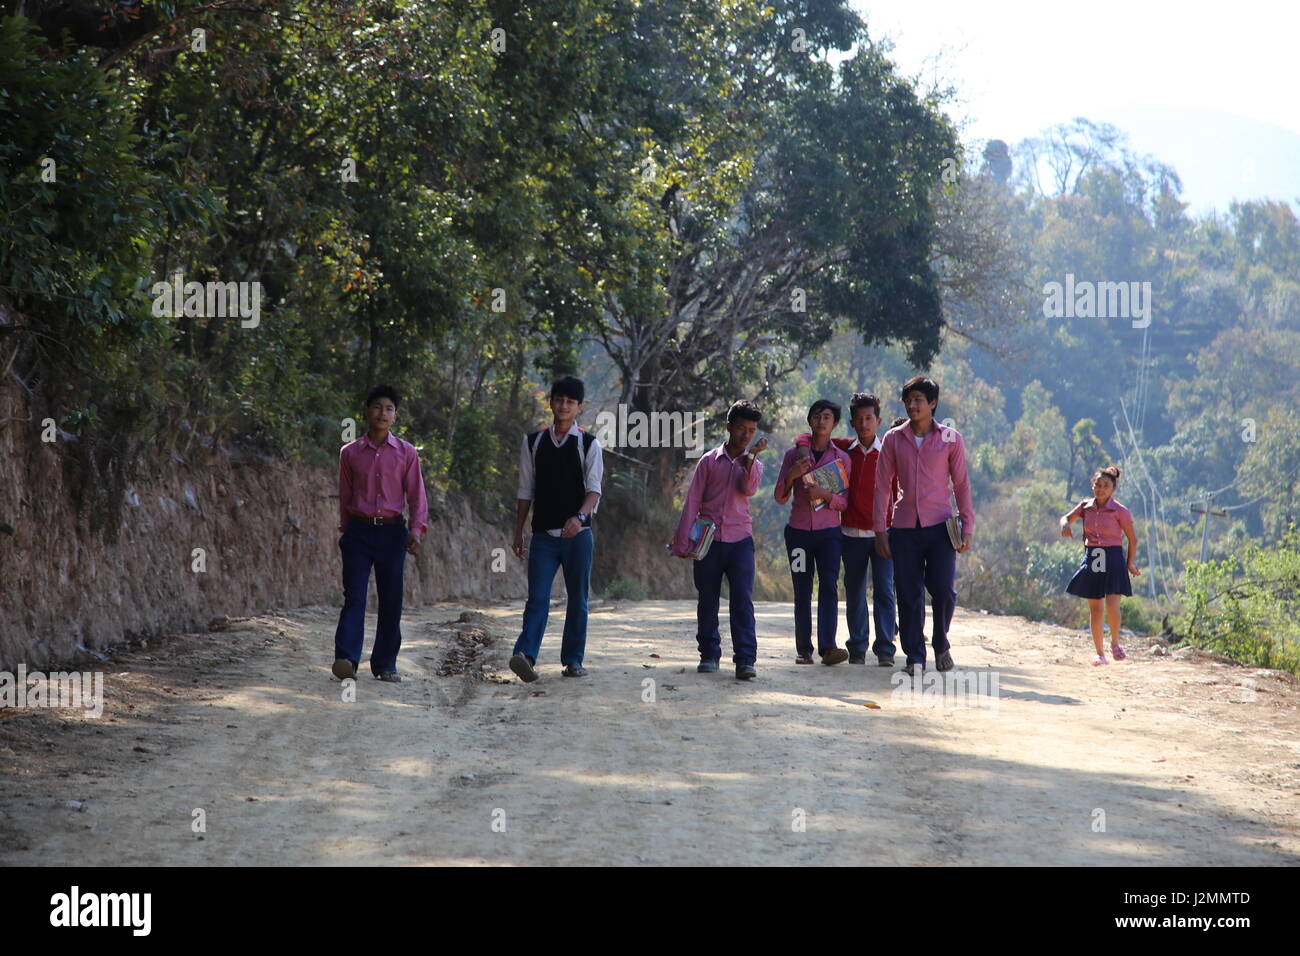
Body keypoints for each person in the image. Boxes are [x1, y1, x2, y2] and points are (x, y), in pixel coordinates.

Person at [873, 376, 973, 676]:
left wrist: (967, 525)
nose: (912, 404)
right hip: (903, 527)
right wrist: (880, 529)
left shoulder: (950, 439)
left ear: (933, 404)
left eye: (919, 399)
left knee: (943, 590)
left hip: (941, 527)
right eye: (909, 399)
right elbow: (882, 487)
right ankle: (914, 656)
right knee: (908, 592)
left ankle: (940, 641)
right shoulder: (893, 438)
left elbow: (961, 484)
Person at [509, 376, 604, 682]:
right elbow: (525, 491)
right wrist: (518, 531)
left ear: (579, 407)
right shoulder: (533, 442)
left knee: (578, 598)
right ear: (550, 402)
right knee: (537, 597)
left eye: (570, 402)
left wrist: (579, 517)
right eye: (559, 399)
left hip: (579, 537)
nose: (563, 406)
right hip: (543, 538)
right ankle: (525, 655)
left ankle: (573, 660)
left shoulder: (589, 444)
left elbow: (594, 492)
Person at [332, 385, 429, 683]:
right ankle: (346, 658)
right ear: (367, 411)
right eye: (377, 407)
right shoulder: (350, 453)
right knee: (355, 598)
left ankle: (385, 664)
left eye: (388, 409)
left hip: (391, 534)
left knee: (391, 599)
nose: (382, 413)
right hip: (358, 533)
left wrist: (415, 531)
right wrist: (347, 532)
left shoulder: (406, 453)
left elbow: (417, 496)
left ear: (395, 416)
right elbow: (345, 496)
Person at [794, 392, 898, 665]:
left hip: (883, 534)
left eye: (869, 419)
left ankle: (885, 648)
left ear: (879, 421)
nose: (864, 424)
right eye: (859, 419)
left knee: (885, 591)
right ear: (852, 423)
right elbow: (807, 437)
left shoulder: (889, 452)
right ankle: (858, 647)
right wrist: (804, 447)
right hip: (850, 533)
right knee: (854, 591)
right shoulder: (843, 450)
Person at [670, 400, 767, 680]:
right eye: (741, 428)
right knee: (708, 599)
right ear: (728, 427)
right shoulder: (709, 461)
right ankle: (709, 654)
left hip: (740, 542)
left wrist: (749, 459)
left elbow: (747, 488)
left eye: (751, 430)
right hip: (708, 542)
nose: (746, 435)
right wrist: (683, 542)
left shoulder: (754, 465)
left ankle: (746, 659)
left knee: (742, 601)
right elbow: (693, 502)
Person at [775, 400, 854, 665]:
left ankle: (828, 648)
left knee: (829, 588)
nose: (822, 421)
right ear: (809, 420)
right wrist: (791, 475)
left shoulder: (841, 459)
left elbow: (844, 503)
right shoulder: (793, 456)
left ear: (834, 424)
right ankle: (803, 650)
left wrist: (824, 495)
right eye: (817, 416)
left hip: (829, 535)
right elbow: (779, 497)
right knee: (802, 589)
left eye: (827, 417)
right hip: (797, 535)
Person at [1060, 466, 1140, 665]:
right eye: (1098, 485)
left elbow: (1132, 539)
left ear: (1113, 488)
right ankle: (1099, 653)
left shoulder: (1120, 511)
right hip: (1094, 556)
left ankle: (1114, 644)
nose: (1101, 489)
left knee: (1112, 606)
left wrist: (1129, 563)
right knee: (1096, 609)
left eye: (1106, 486)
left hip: (1113, 557)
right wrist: (1065, 525)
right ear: (1092, 485)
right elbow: (1065, 518)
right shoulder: (1085, 507)